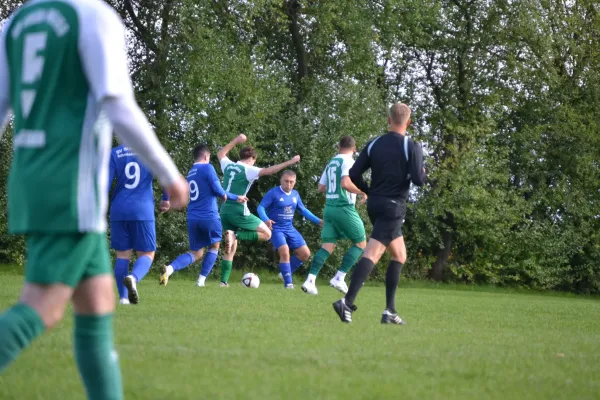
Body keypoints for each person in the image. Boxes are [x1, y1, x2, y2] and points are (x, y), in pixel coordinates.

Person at [0, 1, 189, 399]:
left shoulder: (17, 23)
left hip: (33, 178)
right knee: (43, 306)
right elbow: (117, 103)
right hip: (72, 185)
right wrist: (169, 173)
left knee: (99, 301)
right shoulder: (92, 16)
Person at [332, 103, 426, 325]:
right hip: (393, 207)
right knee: (372, 254)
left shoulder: (374, 143)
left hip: (376, 205)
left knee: (399, 255)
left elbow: (354, 173)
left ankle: (390, 311)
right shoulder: (411, 145)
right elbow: (418, 180)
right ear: (408, 122)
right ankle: (346, 301)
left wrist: (369, 190)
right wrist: (423, 169)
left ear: (388, 120)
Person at [217, 134, 300, 286]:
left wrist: (236, 140)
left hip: (224, 210)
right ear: (252, 159)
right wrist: (290, 162)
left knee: (231, 248)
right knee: (267, 234)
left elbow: (221, 153)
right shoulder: (248, 169)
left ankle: (223, 282)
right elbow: (269, 171)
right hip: (238, 210)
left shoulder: (228, 165)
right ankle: (235, 235)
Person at [159, 144, 247, 287]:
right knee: (214, 246)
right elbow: (218, 190)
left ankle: (169, 269)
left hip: (193, 217)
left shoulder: (191, 172)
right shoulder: (208, 167)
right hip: (209, 215)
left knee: (196, 252)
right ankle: (201, 281)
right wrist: (235, 197)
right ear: (206, 156)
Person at [108, 144, 172, 305]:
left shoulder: (114, 153)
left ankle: (123, 299)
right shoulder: (149, 150)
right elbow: (164, 175)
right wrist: (165, 198)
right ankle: (133, 278)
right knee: (147, 253)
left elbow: (105, 184)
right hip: (142, 209)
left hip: (119, 209)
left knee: (122, 255)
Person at [257, 170, 322, 288]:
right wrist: (266, 219)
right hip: (275, 228)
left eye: (291, 182)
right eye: (286, 181)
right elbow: (261, 207)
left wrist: (318, 221)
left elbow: (303, 210)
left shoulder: (295, 194)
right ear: (281, 180)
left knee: (305, 254)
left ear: (295, 182)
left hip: (289, 228)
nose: (289, 184)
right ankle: (288, 284)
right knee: (285, 251)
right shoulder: (273, 193)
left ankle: (284, 274)